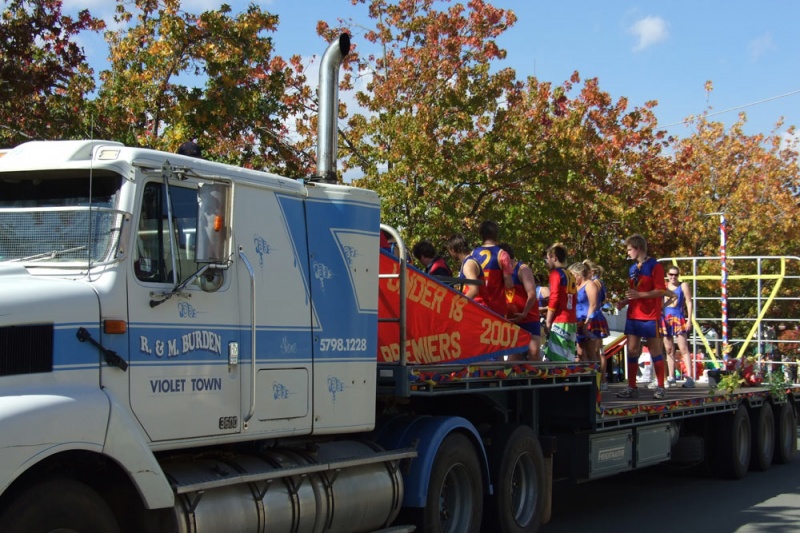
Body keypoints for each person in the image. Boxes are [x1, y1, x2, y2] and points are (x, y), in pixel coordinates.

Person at [615, 234, 673, 400]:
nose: (628, 253)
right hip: (633, 314)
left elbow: (661, 290)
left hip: (650, 315)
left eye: (629, 249)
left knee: (655, 350)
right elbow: (634, 293)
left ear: (638, 248)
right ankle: (632, 386)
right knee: (632, 350)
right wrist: (625, 301)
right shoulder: (633, 269)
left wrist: (639, 295)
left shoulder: (655, 266)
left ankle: (661, 386)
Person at [499, 243, 541, 361]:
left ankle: (537, 378)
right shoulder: (500, 272)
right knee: (513, 355)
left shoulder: (522, 269)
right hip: (511, 319)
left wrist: (524, 313)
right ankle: (513, 379)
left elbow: (532, 294)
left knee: (533, 352)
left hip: (528, 317)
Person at [541, 243, 578, 362]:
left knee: (558, 358)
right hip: (572, 320)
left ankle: (560, 380)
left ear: (554, 258)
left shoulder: (555, 274)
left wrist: (548, 321)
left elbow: (554, 298)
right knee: (569, 356)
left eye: (548, 258)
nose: (547, 262)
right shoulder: (570, 274)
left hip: (560, 321)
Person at [471, 220, 514, 316]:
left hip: (477, 306)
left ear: (481, 235)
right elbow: (509, 284)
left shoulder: (472, 254)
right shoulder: (502, 254)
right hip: (496, 309)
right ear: (496, 234)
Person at [663, 266, 696, 388]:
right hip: (666, 318)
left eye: (676, 275)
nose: (673, 277)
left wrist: (689, 320)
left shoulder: (683, 286)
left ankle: (690, 377)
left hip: (679, 317)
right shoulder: (664, 286)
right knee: (669, 349)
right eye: (671, 274)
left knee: (683, 348)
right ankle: (671, 376)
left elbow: (689, 302)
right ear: (667, 274)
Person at [584, 259, 611, 389]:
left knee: (596, 351)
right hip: (598, 315)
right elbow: (605, 298)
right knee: (598, 350)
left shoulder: (593, 283)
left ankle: (600, 379)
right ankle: (601, 379)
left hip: (593, 317)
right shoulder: (601, 282)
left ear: (592, 271)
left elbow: (594, 301)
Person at [569, 262, 600, 365]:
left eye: (572, 275)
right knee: (580, 352)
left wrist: (588, 322)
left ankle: (596, 377)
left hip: (589, 321)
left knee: (591, 352)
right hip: (578, 322)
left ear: (578, 275)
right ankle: (586, 375)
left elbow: (593, 304)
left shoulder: (590, 284)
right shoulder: (575, 287)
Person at [446, 233, 483, 301]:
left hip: (478, 307)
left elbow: (474, 290)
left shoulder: (468, 264)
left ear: (453, 249)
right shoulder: (467, 262)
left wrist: (459, 304)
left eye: (449, 251)